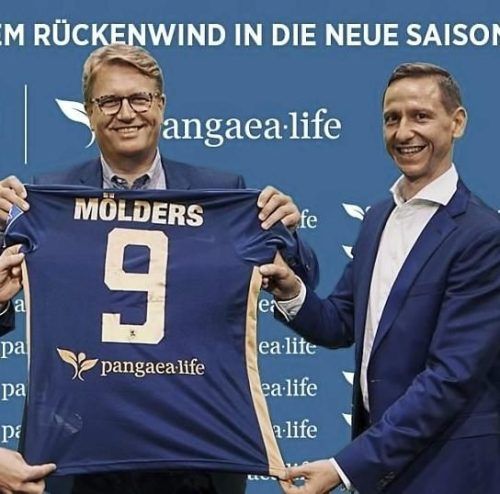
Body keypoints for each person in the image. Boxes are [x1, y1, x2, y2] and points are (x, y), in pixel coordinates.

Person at [0, 44, 318, 494]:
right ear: (88, 113)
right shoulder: (45, 197)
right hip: (81, 454)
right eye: (109, 101)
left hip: (196, 457)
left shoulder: (222, 193)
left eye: (139, 98)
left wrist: (289, 233)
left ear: (161, 105)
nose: (126, 113)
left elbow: (301, 279)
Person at [260, 63, 500, 494]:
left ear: (457, 122)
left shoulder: (483, 236)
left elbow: (449, 378)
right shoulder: (377, 218)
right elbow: (341, 322)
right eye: (392, 118)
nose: (404, 132)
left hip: (450, 471)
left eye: (420, 116)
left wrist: (345, 467)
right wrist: (291, 289)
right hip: (382, 473)